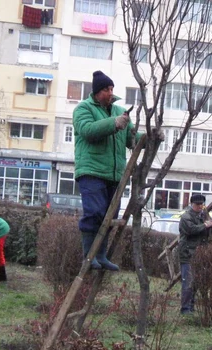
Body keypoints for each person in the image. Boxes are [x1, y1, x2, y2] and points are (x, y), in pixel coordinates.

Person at [72, 70, 145, 271]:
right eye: (106, 89)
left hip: (115, 175)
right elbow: (87, 131)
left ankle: (101, 256)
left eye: (111, 89)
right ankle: (89, 256)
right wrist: (114, 124)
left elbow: (132, 138)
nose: (110, 92)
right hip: (91, 171)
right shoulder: (83, 109)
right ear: (96, 92)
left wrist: (150, 138)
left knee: (108, 218)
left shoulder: (119, 112)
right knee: (94, 213)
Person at [178, 194, 212, 314]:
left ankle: (191, 307)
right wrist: (205, 225)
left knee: (195, 282)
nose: (200, 206)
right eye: (198, 204)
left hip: (200, 253)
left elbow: (208, 230)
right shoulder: (186, 217)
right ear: (192, 204)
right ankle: (185, 309)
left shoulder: (204, 215)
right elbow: (190, 230)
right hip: (187, 254)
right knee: (188, 282)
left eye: (202, 204)